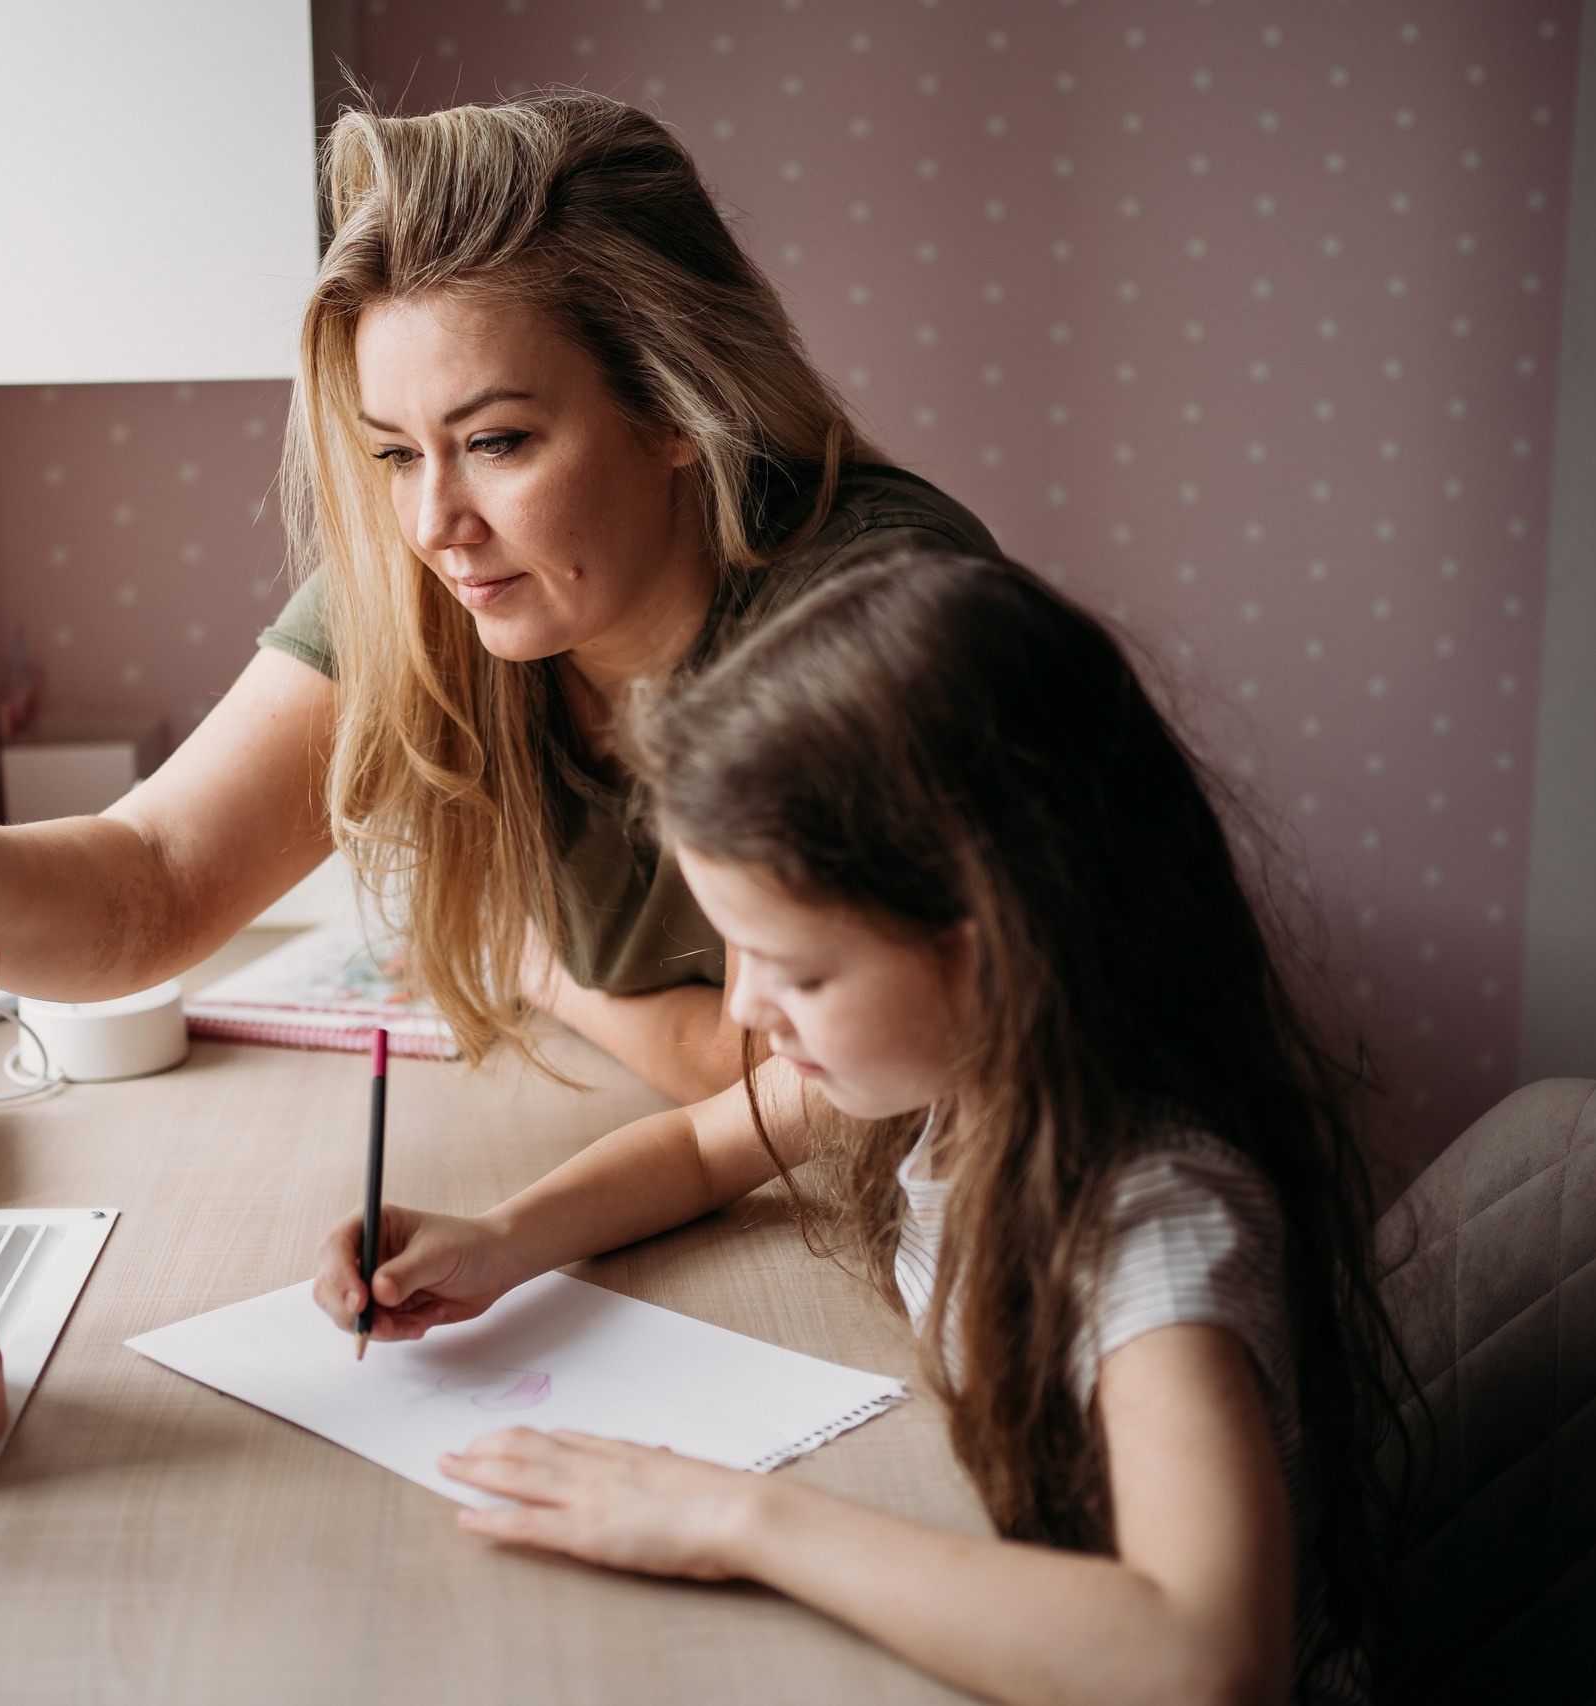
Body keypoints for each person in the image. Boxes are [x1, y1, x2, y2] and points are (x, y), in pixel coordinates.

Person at [0, 92, 1001, 1105]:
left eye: (500, 440)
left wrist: (538, 968)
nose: (432, 526)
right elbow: (153, 880)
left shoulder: (871, 615)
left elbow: (775, 1073)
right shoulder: (437, 581)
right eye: (395, 454)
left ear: (676, 410)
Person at [312, 550, 1405, 1705]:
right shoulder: (952, 1064)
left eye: (797, 971)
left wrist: (736, 1514)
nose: (739, 1010)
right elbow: (697, 1148)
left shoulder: (1146, 1219)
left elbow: (1201, 1659)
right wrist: (501, 1237)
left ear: (990, 948)